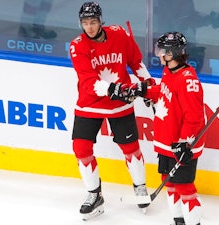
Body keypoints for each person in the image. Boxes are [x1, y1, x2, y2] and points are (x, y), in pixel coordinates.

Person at [68, 1, 154, 220]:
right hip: (90, 103)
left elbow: (136, 62)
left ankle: (140, 187)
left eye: (93, 22)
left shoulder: (119, 34)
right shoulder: (77, 46)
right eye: (85, 23)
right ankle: (94, 195)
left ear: (101, 22)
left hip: (119, 105)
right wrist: (117, 89)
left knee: (130, 147)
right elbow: (89, 82)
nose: (89, 27)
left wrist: (148, 86)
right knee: (81, 148)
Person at [118, 32, 205, 225]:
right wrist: (142, 90)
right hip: (167, 140)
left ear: (173, 53)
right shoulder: (170, 71)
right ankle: (179, 220)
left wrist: (185, 143)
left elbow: (195, 117)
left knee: (185, 187)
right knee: (169, 181)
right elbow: (164, 93)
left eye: (163, 51)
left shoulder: (188, 81)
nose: (159, 54)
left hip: (181, 144)